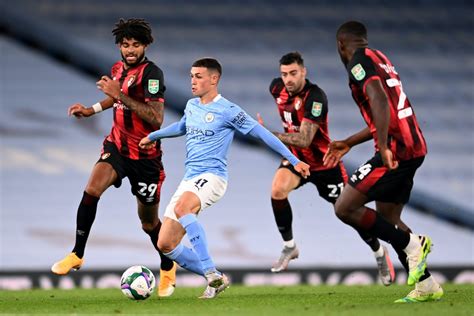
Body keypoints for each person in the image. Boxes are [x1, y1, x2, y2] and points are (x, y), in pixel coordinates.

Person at [139, 57, 310, 299]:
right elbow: (182, 126)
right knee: (165, 244)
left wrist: (294, 160)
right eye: (191, 76)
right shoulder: (192, 105)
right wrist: (154, 135)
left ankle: (210, 273)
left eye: (198, 76)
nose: (193, 81)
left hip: (213, 177)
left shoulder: (228, 110)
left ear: (214, 79)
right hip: (190, 178)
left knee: (182, 207)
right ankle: (218, 277)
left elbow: (262, 134)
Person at [51, 18, 177, 297]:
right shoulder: (118, 68)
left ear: (145, 45)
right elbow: (114, 98)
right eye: (125, 44)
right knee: (92, 189)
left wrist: (120, 93)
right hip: (117, 147)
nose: (130, 49)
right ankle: (76, 254)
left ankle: (168, 266)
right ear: (119, 46)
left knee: (148, 223)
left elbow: (156, 119)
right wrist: (91, 109)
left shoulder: (152, 74)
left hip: (146, 157)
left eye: (135, 44)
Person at [323, 20, 443, 302]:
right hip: (413, 146)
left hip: (397, 150)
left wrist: (385, 146)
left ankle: (414, 245)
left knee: (344, 207)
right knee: (389, 219)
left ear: (341, 45)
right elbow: (385, 112)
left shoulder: (357, 63)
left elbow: (379, 101)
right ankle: (426, 286)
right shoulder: (381, 58)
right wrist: (349, 142)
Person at [258, 51, 394, 286]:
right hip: (296, 160)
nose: (288, 79)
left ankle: (379, 252)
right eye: (284, 74)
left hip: (324, 164)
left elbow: (305, 139)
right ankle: (290, 246)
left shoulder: (316, 97)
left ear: (303, 72)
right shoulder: (275, 88)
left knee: (349, 213)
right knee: (277, 189)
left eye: (293, 73)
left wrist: (267, 134)